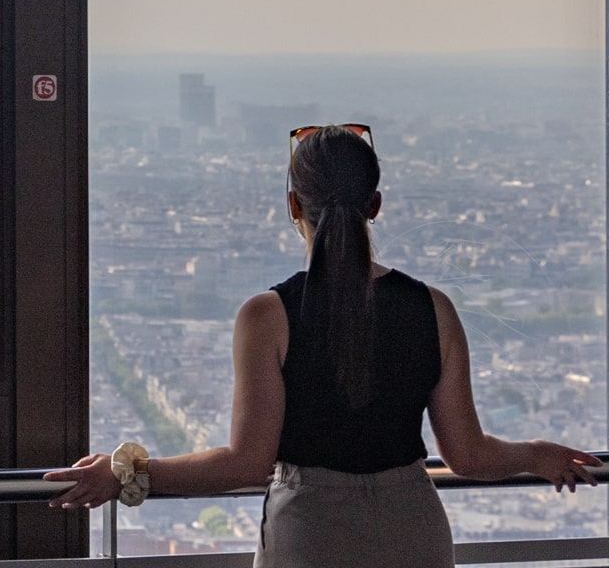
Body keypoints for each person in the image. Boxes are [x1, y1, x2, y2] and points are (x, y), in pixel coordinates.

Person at [45, 124, 600, 567]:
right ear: (375, 204)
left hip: (308, 536)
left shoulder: (268, 317)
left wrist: (128, 471)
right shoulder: (434, 309)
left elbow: (245, 462)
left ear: (293, 205)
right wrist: (536, 453)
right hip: (414, 532)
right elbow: (468, 456)